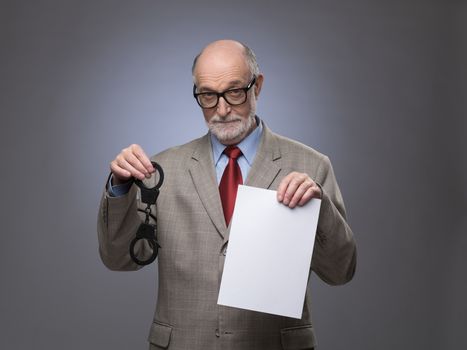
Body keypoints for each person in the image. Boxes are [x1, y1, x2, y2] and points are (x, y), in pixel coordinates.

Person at [97, 39, 356, 350]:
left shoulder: (311, 165)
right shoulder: (161, 169)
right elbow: (118, 259)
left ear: (257, 86)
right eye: (208, 95)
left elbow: (340, 272)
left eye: (235, 92)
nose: (222, 109)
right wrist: (120, 186)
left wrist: (320, 209)